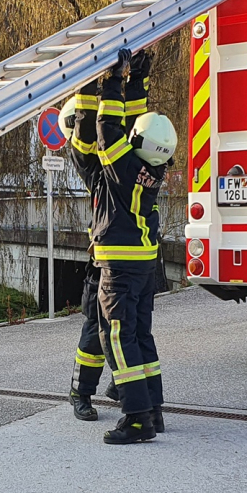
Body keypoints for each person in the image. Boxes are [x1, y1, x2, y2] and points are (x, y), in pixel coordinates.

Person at [71, 50, 177, 444]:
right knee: (141, 336)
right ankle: (153, 408)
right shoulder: (152, 164)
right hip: (143, 265)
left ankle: (136, 420)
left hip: (118, 267)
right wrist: (137, 82)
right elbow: (133, 126)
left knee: (118, 339)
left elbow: (107, 127)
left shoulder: (122, 168)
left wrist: (113, 81)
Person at [61, 56, 153, 422]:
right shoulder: (88, 157)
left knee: (123, 325)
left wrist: (137, 79)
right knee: (95, 329)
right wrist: (100, 78)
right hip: (103, 259)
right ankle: (80, 392)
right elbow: (95, 125)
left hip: (121, 255)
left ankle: (120, 381)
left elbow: (130, 121)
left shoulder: (122, 159)